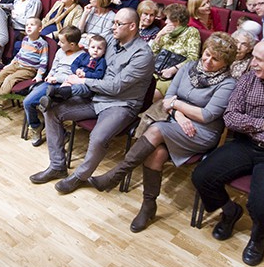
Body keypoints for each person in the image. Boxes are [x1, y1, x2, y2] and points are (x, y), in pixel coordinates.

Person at [89, 33, 238, 232]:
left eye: (215, 59)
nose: (208, 61)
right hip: (176, 122)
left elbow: (207, 115)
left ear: (225, 63)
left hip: (201, 132)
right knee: (156, 153)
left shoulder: (228, 83)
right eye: (207, 54)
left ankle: (116, 174)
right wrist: (178, 114)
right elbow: (168, 98)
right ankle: (148, 205)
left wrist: (176, 105)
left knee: (156, 129)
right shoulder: (188, 67)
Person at [192, 39, 264, 266]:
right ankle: (230, 210)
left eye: (258, 59)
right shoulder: (247, 80)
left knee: (262, 206)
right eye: (253, 57)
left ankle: (258, 238)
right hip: (245, 145)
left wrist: (249, 126)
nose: (252, 63)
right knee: (202, 176)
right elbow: (230, 117)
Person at [29, 8, 154, 194]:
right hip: (96, 95)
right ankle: (57, 166)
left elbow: (116, 87)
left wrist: (83, 80)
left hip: (121, 104)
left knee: (98, 137)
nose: (113, 27)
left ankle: (80, 176)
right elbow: (89, 55)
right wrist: (80, 71)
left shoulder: (143, 55)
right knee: (51, 111)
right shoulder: (111, 40)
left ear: (132, 26)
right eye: (113, 22)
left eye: (118, 24)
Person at [0, 18, 48, 114]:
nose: (29, 27)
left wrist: (39, 74)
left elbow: (44, 60)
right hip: (17, 64)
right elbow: (20, 53)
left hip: (29, 69)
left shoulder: (42, 43)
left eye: (32, 25)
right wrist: (10, 64)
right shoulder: (25, 39)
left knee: (9, 79)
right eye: (27, 25)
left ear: (39, 28)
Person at [39, 34, 107, 109]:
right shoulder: (84, 56)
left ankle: (54, 95)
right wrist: (76, 70)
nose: (95, 50)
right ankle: (53, 99)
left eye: (99, 48)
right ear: (88, 48)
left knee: (77, 88)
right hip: (74, 78)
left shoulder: (101, 61)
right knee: (66, 83)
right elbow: (74, 65)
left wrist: (85, 74)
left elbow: (99, 74)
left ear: (104, 51)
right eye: (93, 47)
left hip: (86, 83)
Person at [149, 4, 201, 100]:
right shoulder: (166, 32)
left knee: (150, 95)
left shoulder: (191, 32)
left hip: (173, 75)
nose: (165, 22)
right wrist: (159, 35)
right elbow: (153, 52)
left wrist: (173, 70)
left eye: (168, 19)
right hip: (155, 70)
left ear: (176, 21)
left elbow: (193, 59)